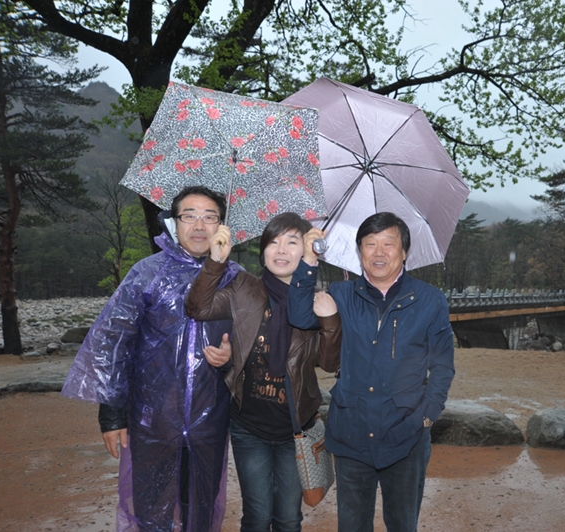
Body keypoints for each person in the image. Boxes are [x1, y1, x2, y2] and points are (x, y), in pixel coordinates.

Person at [62, 186, 241, 532]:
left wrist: (232, 355)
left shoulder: (235, 278)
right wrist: (112, 415)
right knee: (151, 509)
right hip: (152, 418)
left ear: (222, 226)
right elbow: (114, 343)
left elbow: (254, 342)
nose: (199, 225)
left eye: (210, 217)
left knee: (201, 508)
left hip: (211, 419)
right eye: (189, 216)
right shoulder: (147, 273)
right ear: (173, 222)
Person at [287, 212, 455, 532]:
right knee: (352, 526)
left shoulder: (429, 300)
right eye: (370, 244)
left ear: (404, 252)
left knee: (402, 524)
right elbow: (297, 315)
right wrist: (308, 260)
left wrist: (427, 415)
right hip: (351, 434)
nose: (379, 252)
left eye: (388, 244)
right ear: (359, 250)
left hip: (406, 435)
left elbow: (443, 364)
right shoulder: (341, 294)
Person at [184, 212, 341, 532]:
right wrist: (215, 262)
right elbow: (198, 308)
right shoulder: (244, 288)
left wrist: (330, 321)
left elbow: (329, 364)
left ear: (307, 250)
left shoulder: (317, 300)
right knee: (256, 516)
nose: (280, 250)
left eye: (292, 242)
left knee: (288, 519)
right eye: (273, 242)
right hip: (249, 426)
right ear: (263, 250)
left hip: (296, 428)